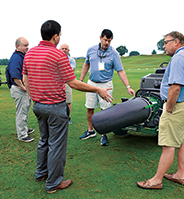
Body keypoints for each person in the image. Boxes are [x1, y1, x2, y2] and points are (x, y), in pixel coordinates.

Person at [22, 20, 113, 194]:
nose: (59, 38)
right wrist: (98, 89)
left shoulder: (30, 53)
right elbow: (73, 83)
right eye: (60, 35)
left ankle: (41, 173)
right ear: (55, 36)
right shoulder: (59, 55)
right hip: (55, 108)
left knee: (44, 140)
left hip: (38, 106)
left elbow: (25, 78)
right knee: (56, 145)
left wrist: (33, 96)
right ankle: (53, 183)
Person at [137, 31, 184, 189]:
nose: (163, 46)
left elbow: (176, 87)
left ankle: (156, 180)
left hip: (178, 107)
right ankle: (180, 175)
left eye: (166, 42)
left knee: (168, 145)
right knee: (183, 141)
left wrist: (169, 109)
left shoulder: (178, 58)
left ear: (176, 42)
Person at [79, 29, 135, 146]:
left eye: (109, 41)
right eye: (105, 40)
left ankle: (104, 134)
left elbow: (120, 71)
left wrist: (128, 86)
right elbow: (86, 65)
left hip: (106, 85)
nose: (107, 43)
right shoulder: (91, 50)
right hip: (91, 83)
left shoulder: (114, 53)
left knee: (105, 111)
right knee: (90, 108)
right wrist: (81, 80)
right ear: (100, 38)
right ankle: (91, 131)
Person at [5, 37, 34, 142]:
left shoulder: (21, 56)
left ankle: (24, 129)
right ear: (18, 46)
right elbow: (15, 77)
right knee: (21, 112)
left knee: (25, 110)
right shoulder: (16, 58)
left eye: (28, 45)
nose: (28, 48)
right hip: (19, 89)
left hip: (22, 88)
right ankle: (22, 135)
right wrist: (24, 88)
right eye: (25, 45)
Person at [60, 44, 76, 124]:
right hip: (58, 84)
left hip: (67, 83)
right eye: (62, 48)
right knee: (58, 102)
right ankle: (60, 118)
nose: (64, 50)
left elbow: (70, 70)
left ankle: (68, 117)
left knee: (68, 101)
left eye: (66, 49)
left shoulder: (71, 60)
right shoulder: (56, 59)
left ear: (68, 50)